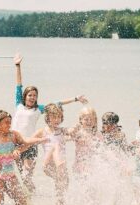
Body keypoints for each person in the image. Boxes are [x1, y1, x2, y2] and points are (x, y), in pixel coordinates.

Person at [12, 53, 86, 193]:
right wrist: (18, 65)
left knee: (27, 173)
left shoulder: (39, 109)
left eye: (35, 95)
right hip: (16, 143)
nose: (32, 97)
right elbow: (18, 85)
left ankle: (33, 193)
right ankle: (31, 196)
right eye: (30, 95)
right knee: (23, 176)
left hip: (31, 143)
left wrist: (75, 98)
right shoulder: (18, 105)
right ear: (25, 96)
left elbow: (56, 103)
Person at [29, 104, 70, 205]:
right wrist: (17, 150)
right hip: (49, 166)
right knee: (54, 146)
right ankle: (59, 164)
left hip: (61, 169)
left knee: (61, 196)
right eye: (54, 117)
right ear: (47, 118)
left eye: (59, 117)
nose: (57, 120)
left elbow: (73, 131)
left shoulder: (62, 131)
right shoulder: (42, 131)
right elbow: (28, 141)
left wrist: (79, 128)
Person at [66, 107, 102, 177]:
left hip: (94, 166)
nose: (89, 121)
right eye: (86, 119)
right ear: (81, 120)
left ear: (95, 120)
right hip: (80, 166)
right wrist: (73, 129)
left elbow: (102, 149)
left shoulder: (98, 134)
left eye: (91, 119)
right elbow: (66, 137)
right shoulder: (79, 133)